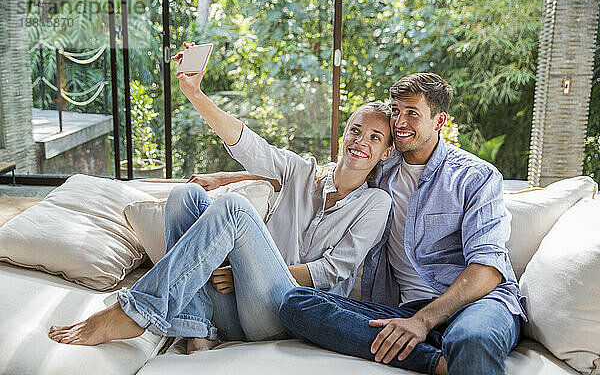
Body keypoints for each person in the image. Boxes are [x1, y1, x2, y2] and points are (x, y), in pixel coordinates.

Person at [47, 44, 395, 355]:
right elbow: (247, 143)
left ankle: (134, 311)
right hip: (232, 309)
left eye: (375, 138)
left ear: (385, 152)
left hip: (284, 313)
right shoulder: (301, 170)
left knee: (234, 208)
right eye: (355, 129)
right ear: (344, 132)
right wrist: (195, 94)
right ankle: (197, 331)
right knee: (185, 195)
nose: (360, 141)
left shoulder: (376, 203)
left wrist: (247, 271)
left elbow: (332, 272)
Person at [278, 73, 527, 375]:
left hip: (477, 304)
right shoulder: (381, 168)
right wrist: (229, 177)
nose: (399, 122)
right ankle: (436, 362)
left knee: (471, 340)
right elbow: (317, 173)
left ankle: (442, 343)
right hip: (404, 311)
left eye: (412, 113)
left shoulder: (475, 177)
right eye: (396, 110)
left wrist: (423, 321)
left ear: (439, 122)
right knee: (297, 304)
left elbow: (487, 269)